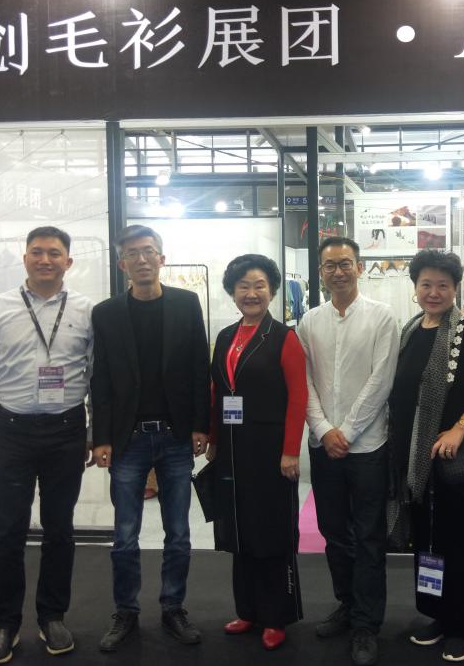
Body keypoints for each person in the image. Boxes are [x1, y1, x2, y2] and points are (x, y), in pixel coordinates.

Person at [0, 226, 94, 664]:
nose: (45, 260)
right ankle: (5, 624)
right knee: (7, 532)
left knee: (60, 529)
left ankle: (52, 616)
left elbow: (96, 375)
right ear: (24, 258)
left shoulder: (86, 310)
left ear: (68, 262)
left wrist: (93, 433)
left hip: (66, 431)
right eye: (37, 252)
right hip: (12, 432)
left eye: (54, 253)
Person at [91, 225, 210, 652]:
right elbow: (101, 378)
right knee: (125, 535)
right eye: (132, 253)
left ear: (162, 258)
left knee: (178, 532)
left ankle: (173, 607)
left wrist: (200, 425)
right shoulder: (106, 313)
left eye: (148, 251)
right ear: (121, 263)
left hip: (176, 435)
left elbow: (199, 366)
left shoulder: (186, 303)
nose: (141, 259)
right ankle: (126, 611)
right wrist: (100, 437)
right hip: (128, 438)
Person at [387, 250, 464, 662]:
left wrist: (459, 427)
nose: (433, 292)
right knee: (429, 540)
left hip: (456, 460)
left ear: (455, 288)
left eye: (442, 285)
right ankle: (439, 613)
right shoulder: (409, 330)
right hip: (418, 461)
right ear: (415, 287)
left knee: (463, 541)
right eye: (426, 284)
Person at [296, 236, 399, 666]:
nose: (338, 271)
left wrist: (349, 431)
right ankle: (347, 603)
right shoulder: (309, 322)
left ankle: (366, 624)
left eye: (345, 263)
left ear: (359, 267)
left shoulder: (382, 317)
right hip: (324, 446)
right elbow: (304, 382)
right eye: (330, 265)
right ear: (321, 273)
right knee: (334, 532)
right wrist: (324, 429)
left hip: (368, 445)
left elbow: (382, 380)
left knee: (369, 537)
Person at [206, 254, 308, 650]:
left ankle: (275, 615)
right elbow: (217, 392)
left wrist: (290, 451)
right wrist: (214, 439)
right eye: (243, 286)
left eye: (259, 285)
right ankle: (247, 609)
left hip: (270, 451)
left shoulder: (284, 337)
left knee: (271, 531)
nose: (251, 293)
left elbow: (298, 397)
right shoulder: (225, 337)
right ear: (233, 292)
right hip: (233, 450)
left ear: (272, 291)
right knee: (239, 530)